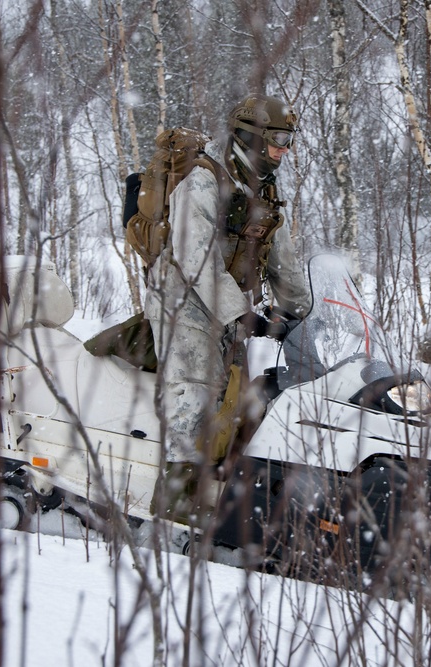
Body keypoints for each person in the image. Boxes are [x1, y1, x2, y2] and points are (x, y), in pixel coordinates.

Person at [144, 94, 311, 522]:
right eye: (276, 139)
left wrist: (303, 314)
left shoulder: (264, 191)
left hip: (228, 307)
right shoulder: (202, 182)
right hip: (183, 302)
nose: (283, 150)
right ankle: (174, 509)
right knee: (195, 395)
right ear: (250, 138)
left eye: (287, 139)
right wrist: (243, 314)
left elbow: (283, 258)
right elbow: (194, 257)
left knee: (233, 400)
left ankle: (220, 494)